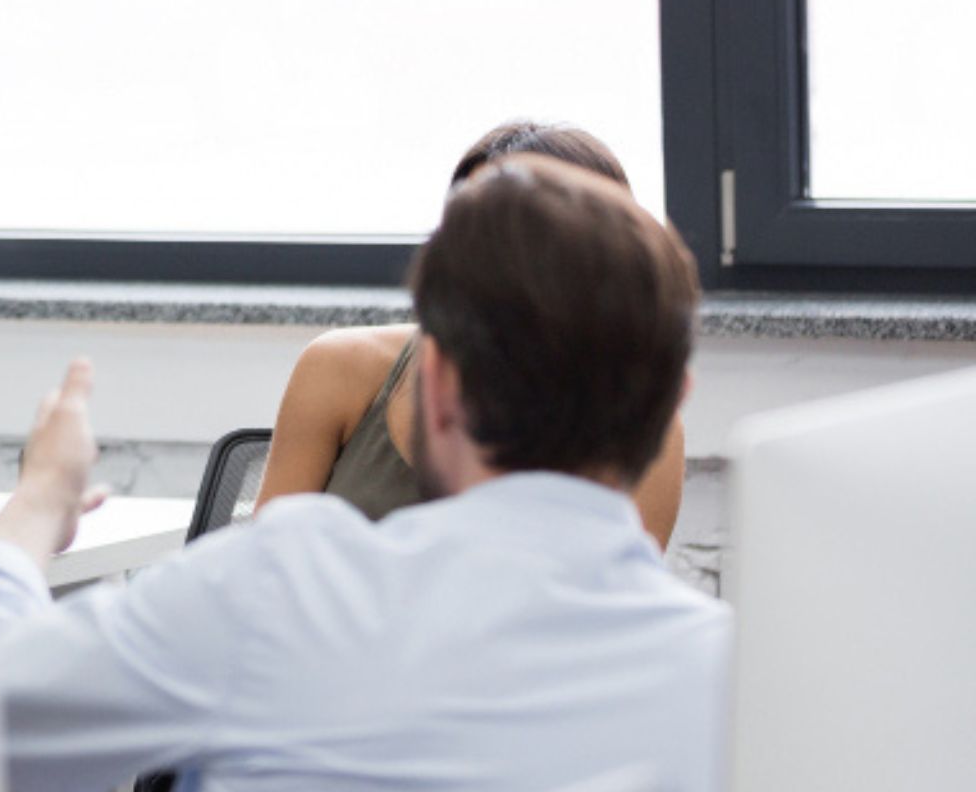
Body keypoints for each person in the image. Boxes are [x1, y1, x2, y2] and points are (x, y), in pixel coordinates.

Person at [0, 157, 730, 792]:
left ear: (434, 384)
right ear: (673, 402)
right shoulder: (741, 693)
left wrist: (39, 500)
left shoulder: (288, 588)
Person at [256, 120, 687, 542]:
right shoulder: (343, 366)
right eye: (471, 229)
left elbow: (611, 599)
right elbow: (264, 572)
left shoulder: (638, 419)